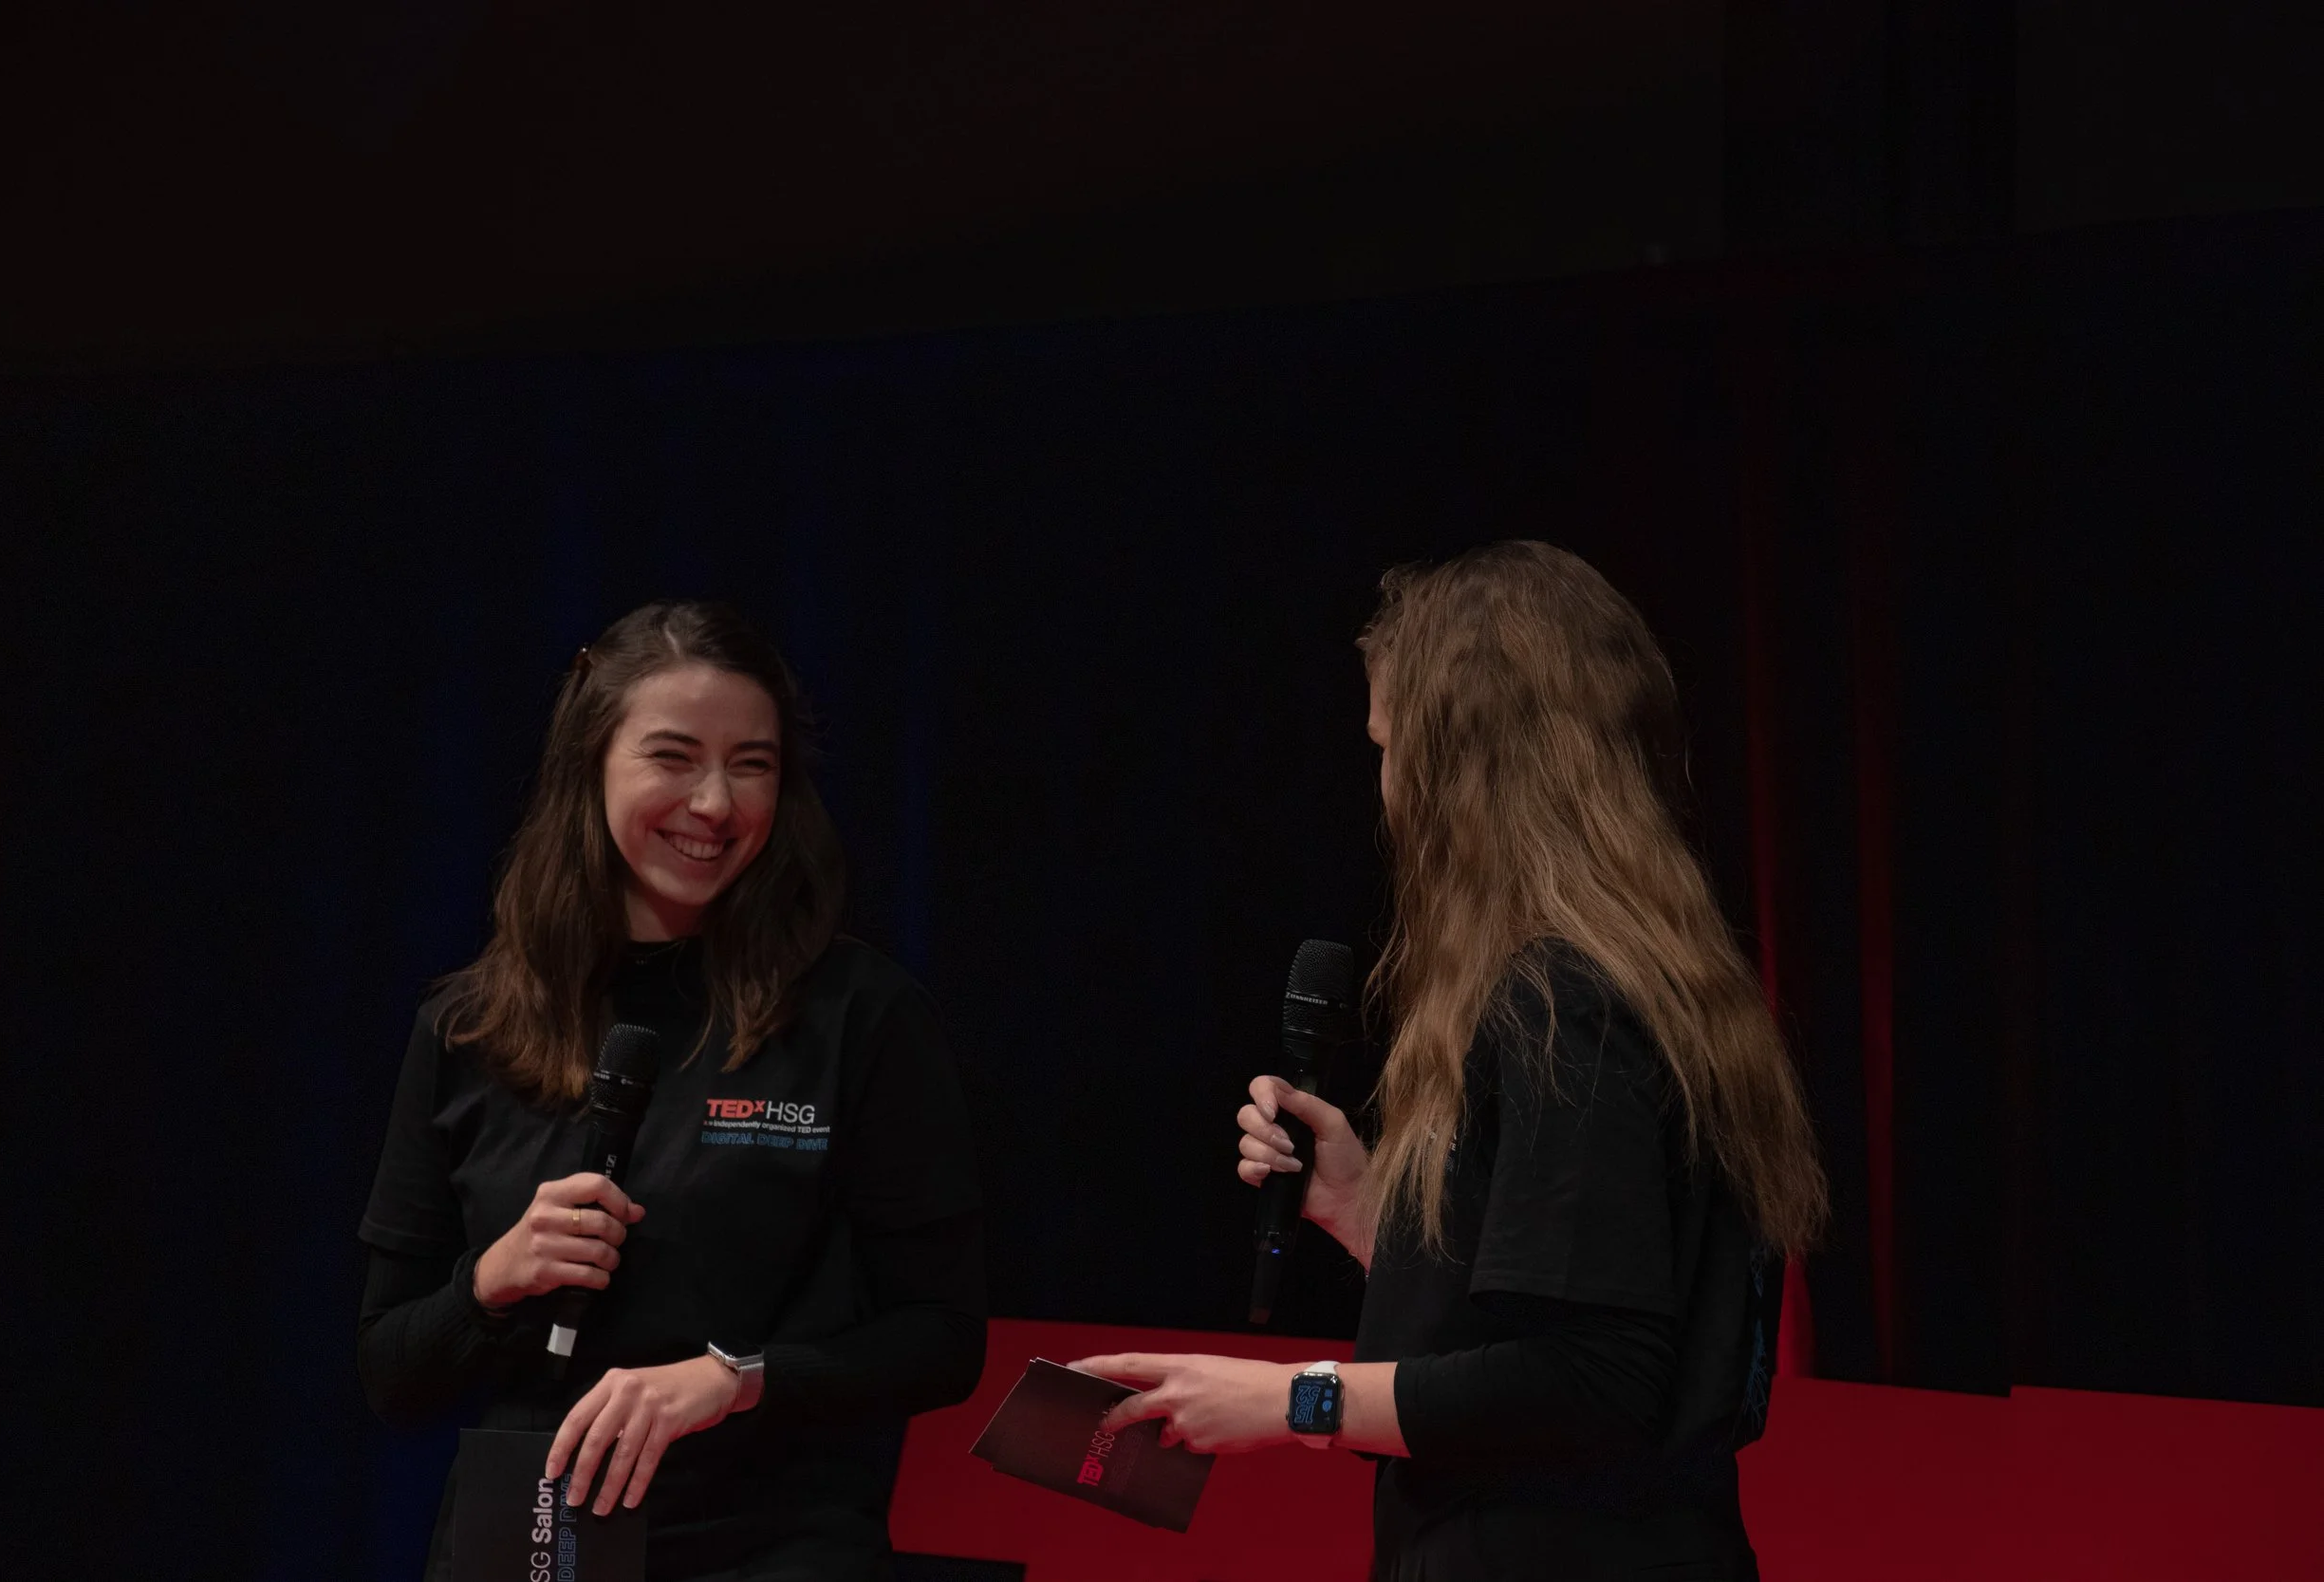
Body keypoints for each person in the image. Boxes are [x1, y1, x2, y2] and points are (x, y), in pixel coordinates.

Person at [1074, 542, 1827, 1581]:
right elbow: (1575, 1297)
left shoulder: (1563, 999)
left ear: (1460, 766)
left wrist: (1292, 1399)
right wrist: (1369, 1214)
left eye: (1389, 749)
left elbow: (1592, 1382)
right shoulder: (1645, 977)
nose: (1385, 790)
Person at [357, 601, 985, 1582]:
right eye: (673, 757)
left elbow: (942, 1340)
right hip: (532, 1544)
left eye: (752, 764)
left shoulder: (859, 1014)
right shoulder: (467, 1024)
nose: (715, 803)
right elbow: (392, 1373)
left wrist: (736, 1378)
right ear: (591, 763)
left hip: (775, 1543)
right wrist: (492, 1280)